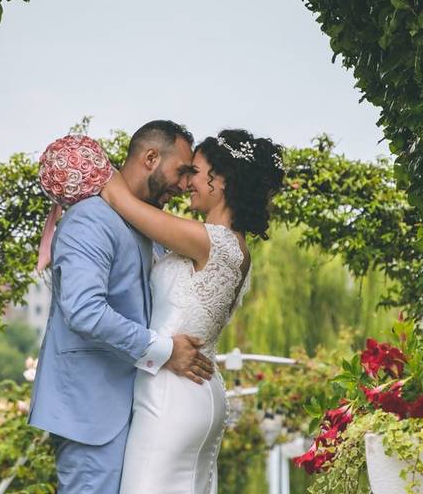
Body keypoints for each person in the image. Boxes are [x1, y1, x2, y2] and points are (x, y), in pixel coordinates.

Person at [28, 120, 215, 494]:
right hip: (92, 414)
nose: (183, 185)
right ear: (150, 157)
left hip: (134, 410)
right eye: (180, 171)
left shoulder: (138, 224)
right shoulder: (89, 220)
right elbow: (85, 311)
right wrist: (165, 352)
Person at [102, 128, 285, 494]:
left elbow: (119, 199)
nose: (187, 183)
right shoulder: (234, 247)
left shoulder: (208, 240)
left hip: (171, 393)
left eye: (196, 172)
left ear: (221, 182)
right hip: (195, 390)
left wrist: (82, 160)